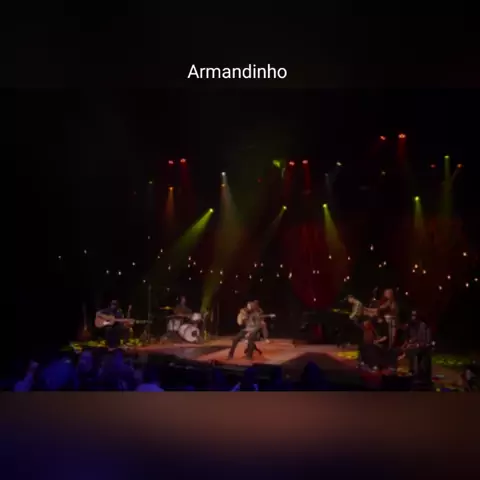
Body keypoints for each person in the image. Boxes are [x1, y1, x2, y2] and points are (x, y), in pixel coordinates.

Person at [402, 310, 432, 382]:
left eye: (414, 315)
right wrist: (407, 343)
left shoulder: (424, 326)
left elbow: (426, 342)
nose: (413, 317)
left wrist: (415, 345)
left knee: (412, 352)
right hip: (415, 347)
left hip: (424, 348)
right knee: (407, 351)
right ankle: (411, 372)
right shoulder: (411, 326)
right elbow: (410, 338)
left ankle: (415, 373)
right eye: (412, 315)